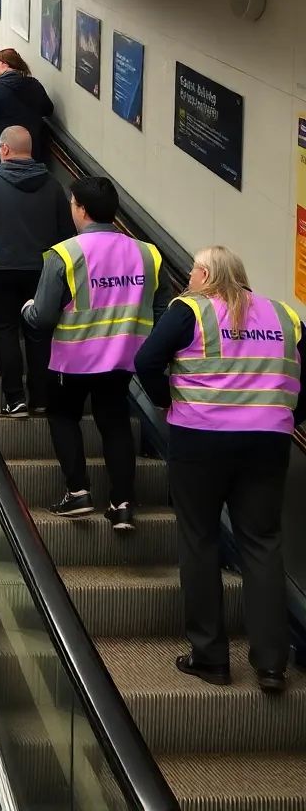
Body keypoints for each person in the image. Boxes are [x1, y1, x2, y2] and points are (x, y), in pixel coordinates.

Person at [135, 246, 306, 692]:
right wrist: (285, 415)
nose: (189, 278)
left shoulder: (188, 309)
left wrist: (167, 399)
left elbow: (146, 361)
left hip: (201, 440)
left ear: (206, 273)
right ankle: (271, 665)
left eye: (192, 271)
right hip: (268, 443)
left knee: (200, 538)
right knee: (263, 544)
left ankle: (210, 657)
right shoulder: (286, 316)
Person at [22, 177, 169, 529]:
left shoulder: (65, 254)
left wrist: (26, 308)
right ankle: (121, 504)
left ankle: (78, 492)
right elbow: (162, 311)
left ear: (82, 210)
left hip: (73, 359)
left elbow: (41, 317)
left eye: (73, 204)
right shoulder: (148, 253)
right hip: (123, 357)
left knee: (63, 416)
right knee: (115, 422)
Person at [0, 127, 73, 417]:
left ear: (5, 150)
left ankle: (14, 399)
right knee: (38, 333)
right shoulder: (54, 186)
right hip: (42, 271)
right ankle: (41, 399)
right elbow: (68, 234)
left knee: (5, 331)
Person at [0, 48, 53, 163]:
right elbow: (48, 109)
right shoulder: (34, 84)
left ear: (5, 64)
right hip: (33, 147)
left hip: (3, 149)